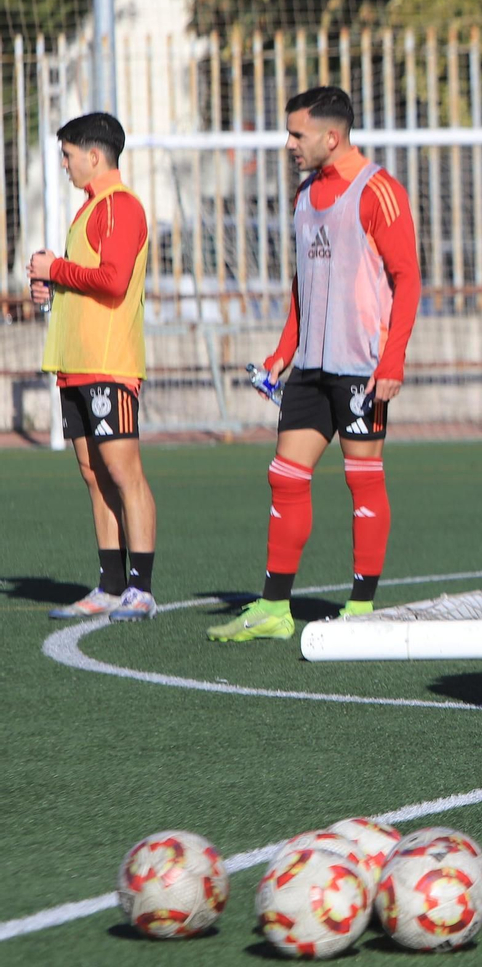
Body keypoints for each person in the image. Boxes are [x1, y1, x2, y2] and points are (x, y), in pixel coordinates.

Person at [208, 86, 420, 642]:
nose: (288, 144)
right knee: (284, 476)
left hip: (360, 368)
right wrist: (282, 354)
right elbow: (304, 287)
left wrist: (392, 359)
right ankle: (274, 607)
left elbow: (409, 280)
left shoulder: (380, 192)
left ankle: (362, 608)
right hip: (311, 366)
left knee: (362, 479)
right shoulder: (304, 195)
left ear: (332, 135)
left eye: (297, 134)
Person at [31, 113, 159, 621]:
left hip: (109, 362)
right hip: (76, 365)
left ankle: (141, 588)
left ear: (94, 155)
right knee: (92, 473)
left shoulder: (122, 208)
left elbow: (112, 281)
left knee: (124, 472)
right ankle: (108, 586)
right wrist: (50, 288)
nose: (64, 164)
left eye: (67, 155)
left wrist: (55, 269)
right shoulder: (89, 211)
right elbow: (84, 283)